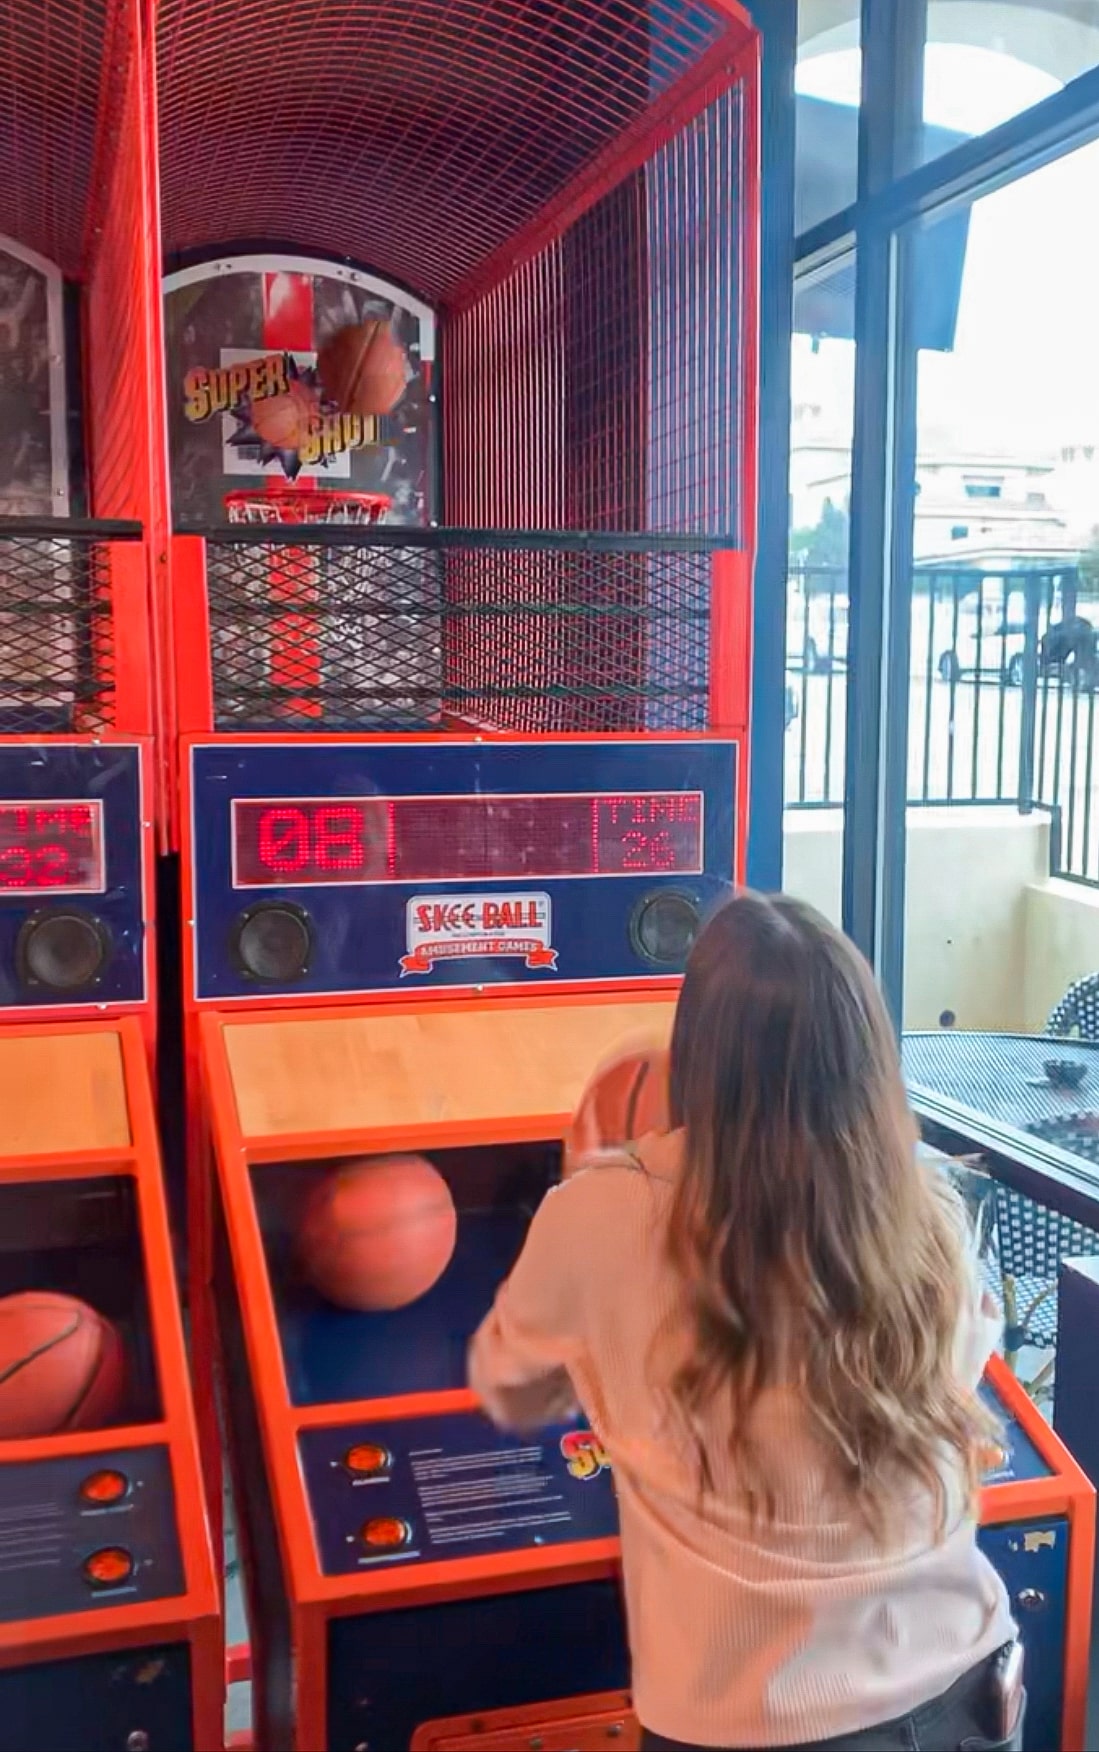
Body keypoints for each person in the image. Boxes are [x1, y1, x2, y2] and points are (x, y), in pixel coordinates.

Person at [468, 892, 1021, 1752]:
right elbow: (969, 1349)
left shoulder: (600, 1217)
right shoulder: (932, 1213)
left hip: (753, 1725)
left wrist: (592, 1180)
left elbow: (509, 1387)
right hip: (963, 1688)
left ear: (698, 1053)